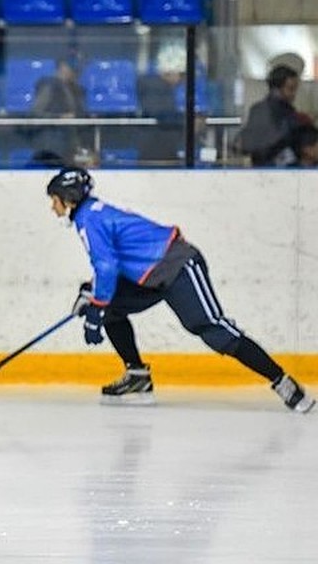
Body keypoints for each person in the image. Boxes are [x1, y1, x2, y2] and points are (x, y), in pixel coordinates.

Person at [46, 166, 314, 413]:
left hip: (177, 267)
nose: (53, 207)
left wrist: (96, 309)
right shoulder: (92, 212)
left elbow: (106, 266)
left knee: (213, 329)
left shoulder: (88, 219)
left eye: (54, 199)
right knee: (112, 308)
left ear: (68, 198)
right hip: (151, 275)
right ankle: (137, 375)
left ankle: (281, 380)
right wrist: (92, 294)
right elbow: (115, 262)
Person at [238, 65, 308, 167]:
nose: (293, 94)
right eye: (290, 89)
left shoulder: (260, 109)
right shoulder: (274, 112)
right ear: (276, 89)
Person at [30, 58, 87, 164]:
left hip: (68, 144)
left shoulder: (76, 90)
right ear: (62, 67)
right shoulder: (49, 87)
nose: (75, 72)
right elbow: (36, 114)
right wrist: (59, 118)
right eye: (72, 68)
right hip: (51, 146)